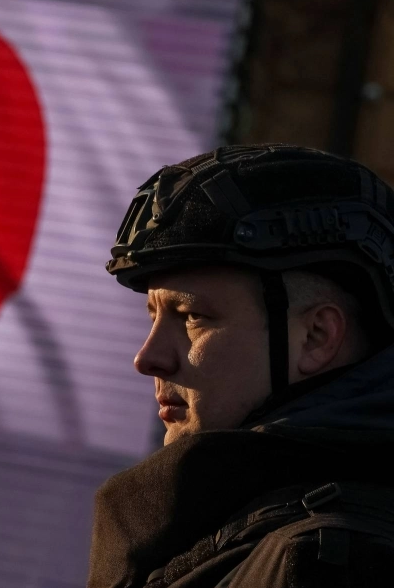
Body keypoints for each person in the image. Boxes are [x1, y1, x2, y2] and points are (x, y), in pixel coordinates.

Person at [88, 144, 394, 587]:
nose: (147, 358)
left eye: (192, 316)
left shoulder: (329, 565)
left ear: (316, 338)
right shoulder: (244, 530)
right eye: (154, 316)